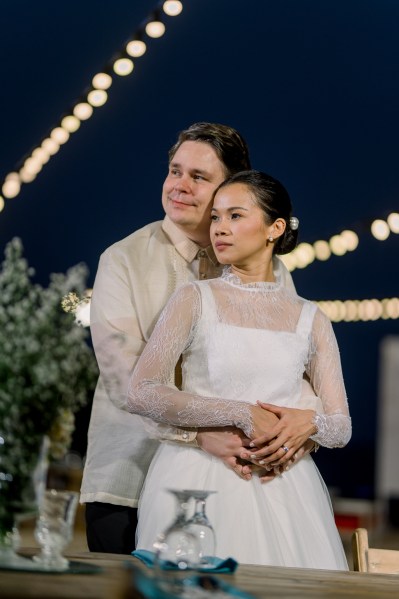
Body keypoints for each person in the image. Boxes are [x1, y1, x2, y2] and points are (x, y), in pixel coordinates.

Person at [80, 123, 317, 554]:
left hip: (230, 487)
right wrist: (198, 436)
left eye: (199, 177)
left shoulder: (271, 271)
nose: (180, 186)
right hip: (127, 480)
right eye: (175, 171)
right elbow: (123, 378)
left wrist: (308, 421)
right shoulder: (123, 259)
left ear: (232, 188)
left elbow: (288, 361)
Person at [128, 170, 351, 569]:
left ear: (274, 228)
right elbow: (142, 390)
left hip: (287, 488)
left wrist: (309, 423)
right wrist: (242, 412)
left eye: (235, 216)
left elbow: (341, 426)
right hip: (198, 477)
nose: (220, 229)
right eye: (215, 217)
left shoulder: (311, 318)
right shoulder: (194, 299)